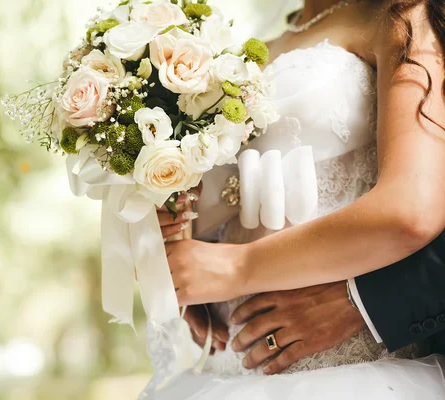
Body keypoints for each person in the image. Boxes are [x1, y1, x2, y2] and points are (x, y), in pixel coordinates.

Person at [149, 0, 445, 398]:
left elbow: (411, 208)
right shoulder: (236, 50)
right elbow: (227, 192)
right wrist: (177, 238)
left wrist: (235, 267)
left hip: (350, 371)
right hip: (224, 369)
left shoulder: (403, 18)